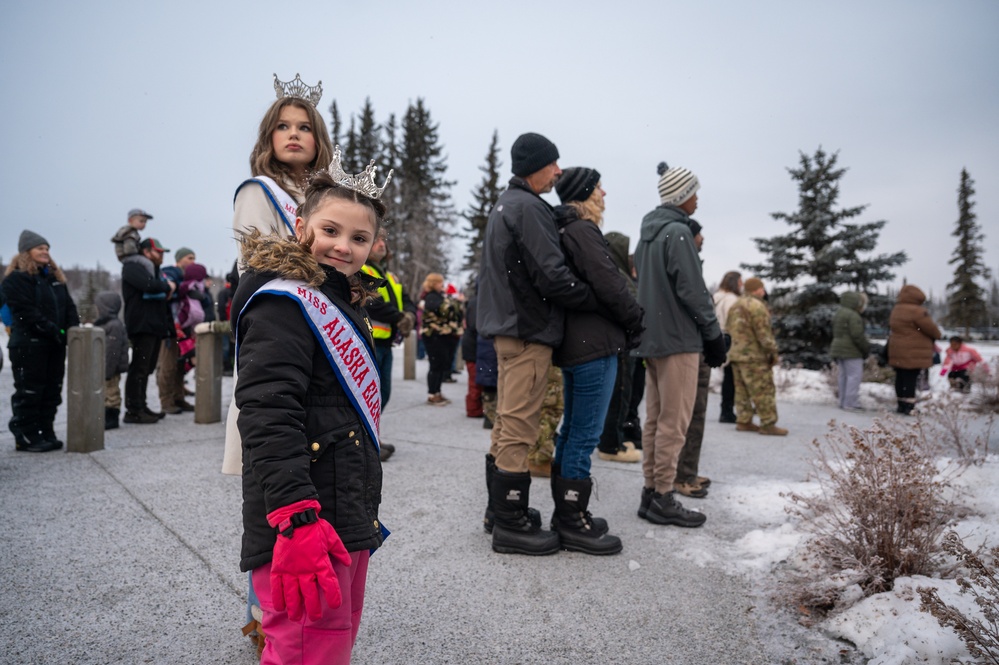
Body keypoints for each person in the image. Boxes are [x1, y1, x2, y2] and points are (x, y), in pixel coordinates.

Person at [232, 153, 389, 664]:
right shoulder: (284, 303)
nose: (343, 246)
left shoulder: (340, 299)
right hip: (304, 518)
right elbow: (266, 411)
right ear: (301, 227)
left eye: (359, 238)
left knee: (333, 643)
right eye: (330, 230)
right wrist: (295, 518)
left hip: (342, 511)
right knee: (305, 649)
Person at [477, 132, 598, 555]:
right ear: (535, 167)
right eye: (553, 164)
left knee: (507, 422)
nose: (559, 171)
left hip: (512, 326)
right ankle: (510, 521)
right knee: (520, 426)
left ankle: (499, 510)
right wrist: (593, 297)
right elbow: (553, 274)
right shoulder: (528, 207)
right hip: (528, 329)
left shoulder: (508, 204)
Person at [223, 74, 335, 477]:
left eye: (304, 127)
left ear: (318, 138)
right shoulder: (259, 191)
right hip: (280, 325)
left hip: (322, 325)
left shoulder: (327, 197)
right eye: (283, 126)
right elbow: (259, 261)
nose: (294, 134)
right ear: (268, 137)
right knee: (277, 448)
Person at [551, 167, 644, 555]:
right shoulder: (583, 231)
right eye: (598, 187)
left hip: (579, 342)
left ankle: (566, 513)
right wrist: (636, 320)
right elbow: (610, 283)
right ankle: (574, 520)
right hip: (595, 343)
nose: (604, 192)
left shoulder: (566, 231)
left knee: (573, 429)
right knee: (584, 434)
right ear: (585, 194)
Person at [632, 161, 727, 529]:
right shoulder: (679, 234)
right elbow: (693, 290)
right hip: (678, 341)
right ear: (680, 196)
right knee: (675, 421)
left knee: (655, 419)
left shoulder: (649, 234)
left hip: (653, 340)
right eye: (693, 193)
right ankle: (663, 496)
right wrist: (713, 334)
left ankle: (651, 490)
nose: (697, 200)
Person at [2, 230, 80, 452]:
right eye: (40, 248)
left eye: (47, 248)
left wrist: (71, 331)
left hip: (54, 344)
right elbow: (26, 312)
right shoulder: (16, 279)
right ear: (27, 252)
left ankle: (46, 430)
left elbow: (69, 307)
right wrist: (54, 330)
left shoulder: (55, 279)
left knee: (51, 391)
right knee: (30, 391)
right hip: (28, 345)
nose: (45, 252)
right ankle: (25, 434)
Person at [360, 229, 416, 461]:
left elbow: (408, 300)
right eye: (377, 240)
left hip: (384, 344)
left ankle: (370, 436)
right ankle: (365, 440)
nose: (382, 244)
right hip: (368, 341)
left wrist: (410, 316)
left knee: (382, 393)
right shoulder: (361, 270)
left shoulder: (390, 276)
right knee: (367, 394)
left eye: (384, 240)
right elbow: (372, 302)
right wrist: (399, 317)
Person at [674, 218, 713, 499]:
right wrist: (712, 334)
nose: (703, 239)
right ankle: (682, 476)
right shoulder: (685, 262)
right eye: (699, 235)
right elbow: (694, 302)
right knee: (688, 414)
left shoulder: (692, 262)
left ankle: (687, 470)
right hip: (690, 345)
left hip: (696, 343)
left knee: (694, 414)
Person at [597, 231, 643, 464]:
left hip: (617, 344)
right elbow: (631, 307)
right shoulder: (617, 276)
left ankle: (612, 440)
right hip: (621, 345)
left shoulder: (608, 271)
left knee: (618, 395)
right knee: (619, 395)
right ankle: (610, 445)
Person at [121, 237, 176, 424]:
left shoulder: (153, 269)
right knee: (139, 368)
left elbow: (156, 290)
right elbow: (149, 285)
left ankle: (141, 406)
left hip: (153, 325)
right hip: (141, 325)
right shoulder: (132, 267)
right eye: (158, 252)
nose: (162, 256)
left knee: (146, 369)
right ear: (146, 252)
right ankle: (133, 410)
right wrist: (167, 286)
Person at [727, 277, 787, 435]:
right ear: (755, 289)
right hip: (754, 356)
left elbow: (728, 329)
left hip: (736, 355)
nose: (764, 291)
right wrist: (772, 352)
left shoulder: (735, 305)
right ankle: (768, 423)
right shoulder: (757, 306)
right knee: (763, 390)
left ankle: (743, 420)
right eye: (761, 288)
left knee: (741, 391)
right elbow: (764, 334)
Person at [887, 284, 942, 414]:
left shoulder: (897, 309)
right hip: (913, 350)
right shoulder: (917, 311)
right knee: (910, 377)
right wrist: (937, 335)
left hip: (896, 348)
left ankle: (900, 403)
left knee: (900, 376)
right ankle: (909, 405)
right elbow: (931, 329)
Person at [158, 247, 198, 415]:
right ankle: (166, 401)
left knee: (179, 365)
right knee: (167, 366)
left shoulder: (187, 277)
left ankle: (178, 397)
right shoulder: (170, 272)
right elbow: (167, 291)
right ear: (180, 259)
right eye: (189, 258)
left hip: (181, 330)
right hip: (169, 328)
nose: (192, 261)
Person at [420, 273, 462, 405]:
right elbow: (442, 311)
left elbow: (454, 311)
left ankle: (437, 391)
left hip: (441, 335)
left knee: (440, 364)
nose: (442, 285)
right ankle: (432, 393)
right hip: (433, 335)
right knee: (435, 365)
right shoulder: (431, 296)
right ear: (433, 283)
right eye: (439, 283)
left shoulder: (439, 296)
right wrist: (454, 303)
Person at [830, 291, 870, 411]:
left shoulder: (839, 313)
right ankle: (851, 402)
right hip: (851, 351)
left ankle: (843, 401)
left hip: (838, 348)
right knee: (854, 376)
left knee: (843, 376)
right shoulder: (853, 315)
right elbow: (857, 335)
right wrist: (866, 348)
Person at [94, 291, 129, 430]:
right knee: (106, 393)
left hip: (110, 368)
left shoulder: (113, 325)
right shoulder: (106, 324)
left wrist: (107, 370)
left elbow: (112, 351)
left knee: (111, 393)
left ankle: (111, 418)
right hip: (106, 366)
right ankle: (105, 416)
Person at [713, 271, 742, 423]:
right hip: (730, 338)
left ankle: (726, 409)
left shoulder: (717, 297)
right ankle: (727, 410)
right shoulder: (732, 300)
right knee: (730, 377)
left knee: (727, 376)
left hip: (717, 336)